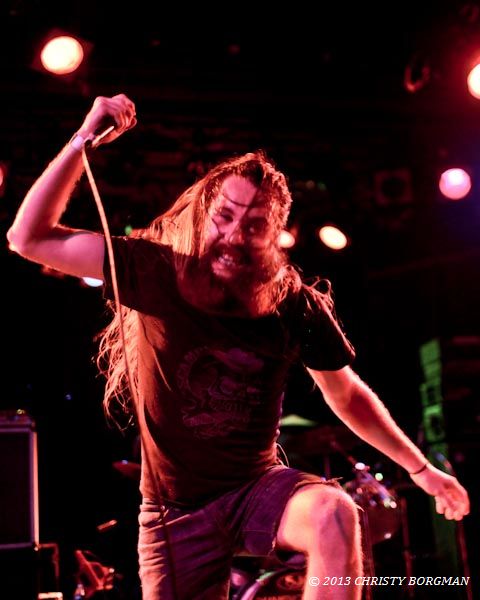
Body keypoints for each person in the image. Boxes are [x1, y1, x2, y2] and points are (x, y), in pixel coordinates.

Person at [7, 94, 470, 600]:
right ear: (205, 213)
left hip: (257, 489)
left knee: (334, 512)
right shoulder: (154, 271)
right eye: (224, 216)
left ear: (274, 235)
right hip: (174, 513)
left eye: (253, 226)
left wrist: (421, 470)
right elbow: (28, 238)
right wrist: (82, 140)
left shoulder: (292, 303)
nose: (233, 235)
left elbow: (347, 396)